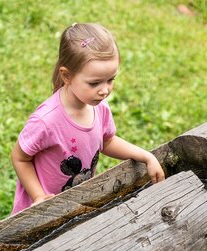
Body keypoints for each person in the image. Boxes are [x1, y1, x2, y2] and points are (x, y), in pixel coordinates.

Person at [11, 23, 165, 215]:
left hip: (76, 204)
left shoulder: (99, 107)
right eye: (94, 83)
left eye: (110, 80)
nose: (105, 90)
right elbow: (20, 158)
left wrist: (145, 156)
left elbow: (107, 141)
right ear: (67, 76)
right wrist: (38, 196)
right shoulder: (46, 121)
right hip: (40, 213)